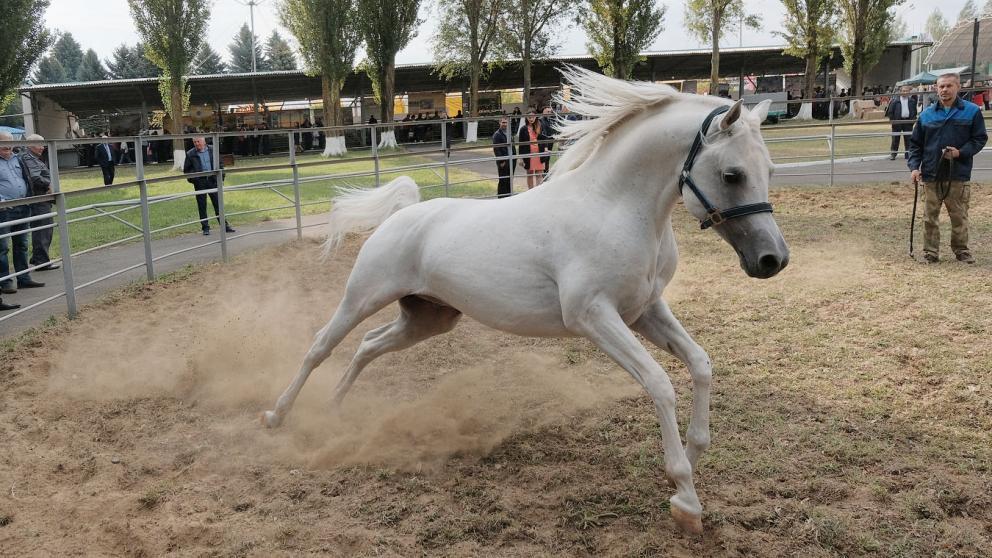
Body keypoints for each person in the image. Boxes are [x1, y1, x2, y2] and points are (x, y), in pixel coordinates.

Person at [908, 73, 988, 264]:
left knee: (959, 215)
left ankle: (961, 250)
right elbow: (915, 144)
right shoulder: (926, 114)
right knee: (930, 217)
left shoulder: (971, 111)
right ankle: (931, 252)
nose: (944, 90)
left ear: (958, 87)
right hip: (930, 173)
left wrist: (961, 153)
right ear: (936, 88)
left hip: (958, 173)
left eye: (949, 86)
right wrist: (914, 167)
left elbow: (979, 139)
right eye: (941, 86)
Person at [0, 131, 45, 302]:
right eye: (3, 143)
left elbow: (26, 179)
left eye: (10, 142)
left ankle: (24, 278)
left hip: (22, 207)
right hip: (3, 210)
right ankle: (5, 282)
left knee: (22, 244)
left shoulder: (17, 158)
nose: (8, 146)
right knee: (2, 248)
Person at [183, 136, 236, 236]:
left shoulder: (213, 150)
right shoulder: (190, 154)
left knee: (218, 204)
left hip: (213, 181)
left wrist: (220, 179)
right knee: (202, 206)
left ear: (203, 141)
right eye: (194, 142)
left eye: (198, 141)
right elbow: (187, 171)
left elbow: (220, 166)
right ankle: (205, 228)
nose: (196, 144)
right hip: (200, 183)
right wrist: (195, 180)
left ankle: (225, 226)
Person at [20, 135, 57, 271]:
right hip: (39, 198)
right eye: (39, 145)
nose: (42, 147)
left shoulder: (32, 158)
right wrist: (49, 184)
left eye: (43, 144)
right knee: (43, 230)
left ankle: (38, 257)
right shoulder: (28, 158)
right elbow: (35, 177)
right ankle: (41, 261)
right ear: (29, 145)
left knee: (44, 229)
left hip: (41, 198)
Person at [885, 85, 918, 160]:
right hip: (897, 122)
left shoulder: (912, 101)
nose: (905, 92)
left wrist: (912, 120)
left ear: (909, 92)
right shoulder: (895, 101)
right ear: (900, 92)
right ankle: (893, 154)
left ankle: (908, 154)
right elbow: (890, 112)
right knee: (895, 139)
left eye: (907, 91)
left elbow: (914, 112)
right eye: (903, 91)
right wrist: (893, 121)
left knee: (909, 139)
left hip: (908, 122)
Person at [518, 111, 548, 189]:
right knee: (530, 174)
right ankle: (530, 192)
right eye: (529, 117)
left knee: (539, 174)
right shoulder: (523, 129)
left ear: (536, 117)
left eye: (533, 117)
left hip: (539, 154)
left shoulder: (540, 126)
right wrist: (521, 158)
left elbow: (544, 139)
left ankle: (538, 192)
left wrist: (545, 148)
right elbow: (521, 144)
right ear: (526, 118)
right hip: (529, 154)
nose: (531, 119)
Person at [492, 116, 513, 198]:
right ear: (499, 123)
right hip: (503, 161)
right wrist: (501, 161)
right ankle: (501, 198)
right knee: (503, 180)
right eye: (503, 122)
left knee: (509, 179)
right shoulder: (497, 135)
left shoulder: (509, 133)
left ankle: (509, 196)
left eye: (506, 122)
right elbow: (496, 149)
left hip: (511, 160)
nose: (505, 124)